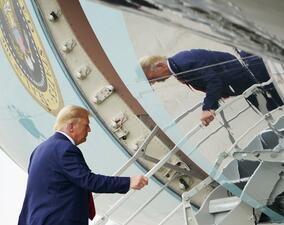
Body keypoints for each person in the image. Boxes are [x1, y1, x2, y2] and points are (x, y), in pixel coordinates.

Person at [18, 105, 148, 225]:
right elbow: (89, 181)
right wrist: (129, 182)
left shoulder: (39, 150)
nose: (89, 130)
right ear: (71, 126)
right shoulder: (65, 149)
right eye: (86, 125)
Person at [140, 49, 283, 126]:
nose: (155, 82)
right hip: (244, 80)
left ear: (159, 66)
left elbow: (213, 81)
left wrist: (208, 108)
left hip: (249, 75)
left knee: (275, 104)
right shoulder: (179, 65)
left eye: (152, 78)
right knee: (271, 107)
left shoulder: (183, 63)